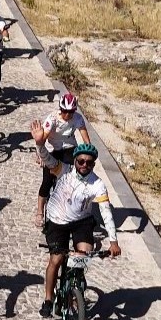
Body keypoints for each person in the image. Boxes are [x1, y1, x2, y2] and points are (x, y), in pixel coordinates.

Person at [30, 123, 121, 318]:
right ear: (75, 160)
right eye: (81, 161)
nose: (84, 166)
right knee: (56, 258)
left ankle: (75, 288)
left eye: (89, 163)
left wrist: (113, 241)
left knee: (83, 255)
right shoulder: (63, 170)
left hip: (81, 221)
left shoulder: (97, 184)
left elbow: (106, 212)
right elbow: (47, 159)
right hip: (57, 220)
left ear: (94, 164)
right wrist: (39, 144)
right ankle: (48, 299)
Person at [35, 93, 91, 225]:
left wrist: (88, 155)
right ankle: (39, 212)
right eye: (65, 111)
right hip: (52, 149)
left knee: (73, 179)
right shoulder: (52, 119)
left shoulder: (77, 118)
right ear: (61, 109)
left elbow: (86, 140)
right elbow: (42, 138)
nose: (67, 115)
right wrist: (40, 154)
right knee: (47, 181)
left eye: (71, 112)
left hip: (70, 149)